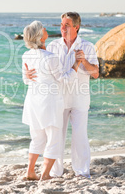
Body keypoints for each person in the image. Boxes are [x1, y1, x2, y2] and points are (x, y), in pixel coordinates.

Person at [25, 12, 99, 178]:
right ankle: (55, 171)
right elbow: (41, 68)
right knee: (57, 136)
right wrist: (28, 75)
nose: (63, 28)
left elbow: (95, 73)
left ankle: (81, 172)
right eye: (61, 25)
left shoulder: (87, 46)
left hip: (79, 98)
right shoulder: (52, 46)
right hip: (58, 100)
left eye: (67, 25)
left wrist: (84, 61)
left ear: (76, 27)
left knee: (80, 136)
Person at [21, 20, 81, 180]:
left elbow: (26, 80)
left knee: (37, 138)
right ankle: (45, 174)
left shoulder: (26, 55)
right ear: (41, 37)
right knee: (54, 139)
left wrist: (28, 76)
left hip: (33, 101)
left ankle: (30, 171)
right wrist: (76, 64)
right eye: (44, 29)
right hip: (49, 103)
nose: (47, 29)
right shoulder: (50, 57)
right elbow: (65, 79)